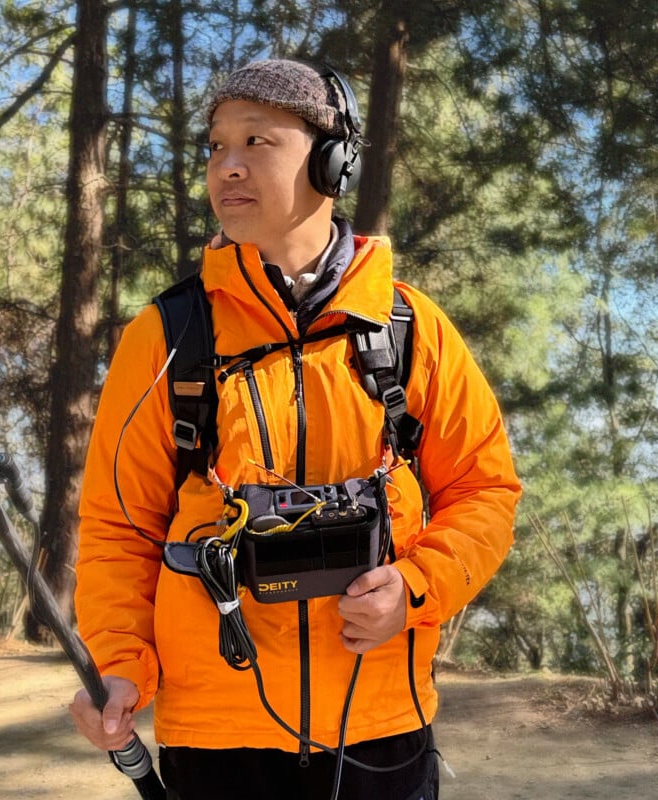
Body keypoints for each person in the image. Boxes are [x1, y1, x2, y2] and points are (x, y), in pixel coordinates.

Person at [70, 58, 521, 800]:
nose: (228, 167)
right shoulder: (166, 337)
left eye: (257, 142)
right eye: (216, 146)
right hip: (217, 739)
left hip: (381, 725)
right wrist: (118, 663)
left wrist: (414, 585)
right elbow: (119, 528)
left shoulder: (410, 330)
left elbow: (486, 491)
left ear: (331, 158)